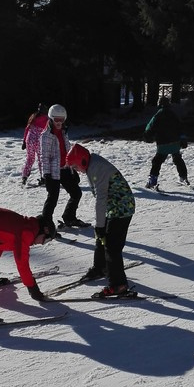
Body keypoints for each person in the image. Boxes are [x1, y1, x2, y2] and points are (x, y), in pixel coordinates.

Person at [66, 143, 136, 298]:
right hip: (113, 206)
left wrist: (99, 225)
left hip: (122, 207)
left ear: (82, 160)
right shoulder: (92, 165)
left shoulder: (96, 168)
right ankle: (100, 268)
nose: (77, 170)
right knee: (101, 237)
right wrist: (100, 227)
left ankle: (118, 285)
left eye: (76, 167)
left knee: (112, 246)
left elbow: (101, 199)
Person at [40, 104, 89, 228]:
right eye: (56, 119)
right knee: (52, 198)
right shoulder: (46, 135)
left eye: (61, 119)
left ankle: (69, 217)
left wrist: (72, 168)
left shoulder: (63, 131)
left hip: (65, 169)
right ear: (51, 118)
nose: (59, 122)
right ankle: (46, 225)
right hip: (53, 172)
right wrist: (46, 175)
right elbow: (44, 157)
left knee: (76, 193)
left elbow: (67, 151)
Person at [143, 96, 189, 189]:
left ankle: (152, 181)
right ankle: (183, 177)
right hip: (175, 142)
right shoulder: (174, 115)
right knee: (177, 158)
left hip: (163, 142)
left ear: (159, 104)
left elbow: (150, 127)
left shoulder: (158, 115)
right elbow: (180, 127)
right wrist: (183, 139)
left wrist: (147, 136)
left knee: (157, 161)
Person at [21, 103, 49, 186]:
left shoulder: (33, 116)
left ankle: (24, 176)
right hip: (39, 141)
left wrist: (24, 141)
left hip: (30, 139)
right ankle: (43, 178)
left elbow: (27, 129)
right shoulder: (47, 119)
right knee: (41, 159)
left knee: (30, 158)